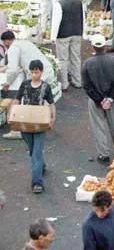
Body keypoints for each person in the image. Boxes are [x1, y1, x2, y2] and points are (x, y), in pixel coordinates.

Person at [13, 60, 56, 194]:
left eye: (36, 72)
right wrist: (12, 114)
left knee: (36, 153)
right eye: (32, 72)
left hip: (39, 125)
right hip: (25, 124)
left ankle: (37, 183)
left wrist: (52, 118)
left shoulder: (45, 87)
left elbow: (51, 104)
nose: (34, 75)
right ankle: (41, 166)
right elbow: (17, 99)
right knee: (33, 150)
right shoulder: (25, 85)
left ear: (41, 72)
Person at [82, 34, 114, 165]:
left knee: (98, 127)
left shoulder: (87, 64)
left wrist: (99, 99)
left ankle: (103, 154)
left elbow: (87, 86)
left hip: (96, 101)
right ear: (105, 46)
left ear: (93, 47)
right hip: (112, 100)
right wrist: (110, 99)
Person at [51, 0, 84, 92]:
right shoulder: (79, 1)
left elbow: (56, 22)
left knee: (63, 59)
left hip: (63, 35)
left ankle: (64, 84)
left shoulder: (59, 4)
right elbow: (82, 17)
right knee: (76, 58)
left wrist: (52, 37)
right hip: (77, 33)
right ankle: (77, 81)